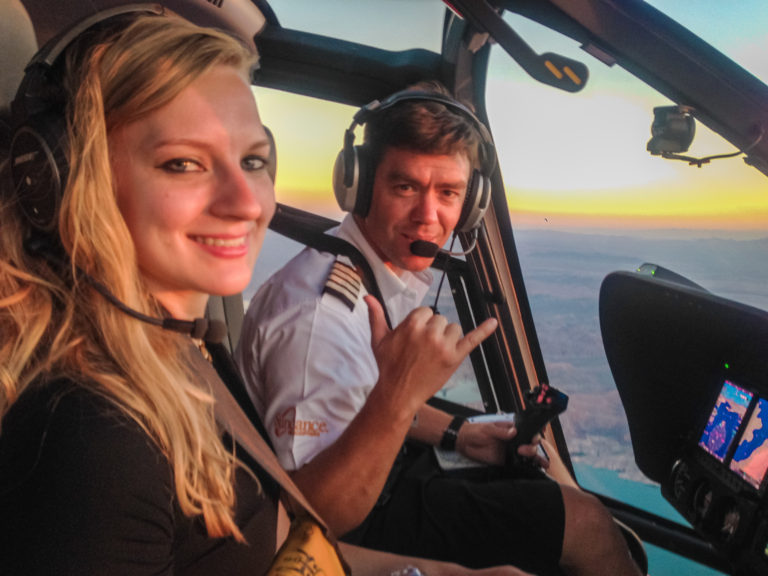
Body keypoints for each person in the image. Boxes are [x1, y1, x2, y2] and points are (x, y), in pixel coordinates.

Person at [0, 10, 530, 576]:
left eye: (253, 160)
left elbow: (280, 546)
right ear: (66, 182)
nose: (247, 202)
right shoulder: (90, 442)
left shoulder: (179, 353)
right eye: (183, 163)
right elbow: (312, 520)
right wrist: (396, 398)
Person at [236, 82, 644, 576]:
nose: (429, 218)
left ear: (470, 201)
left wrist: (458, 433)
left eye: (448, 192)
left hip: (374, 475)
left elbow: (366, 400)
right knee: (583, 522)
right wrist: (403, 394)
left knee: (550, 480)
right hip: (350, 517)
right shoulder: (319, 317)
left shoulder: (369, 274)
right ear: (359, 186)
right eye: (405, 187)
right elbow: (316, 512)